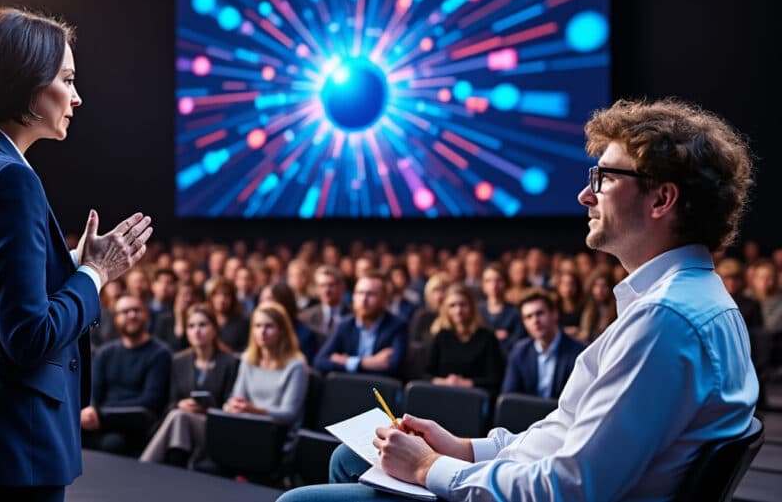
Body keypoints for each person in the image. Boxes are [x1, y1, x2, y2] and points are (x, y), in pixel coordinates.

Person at [279, 97, 757, 501]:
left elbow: (569, 486)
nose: (584, 196)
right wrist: (464, 448)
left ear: (661, 200)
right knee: (349, 456)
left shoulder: (664, 318)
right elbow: (566, 433)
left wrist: (431, 469)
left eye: (604, 178)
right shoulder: (686, 299)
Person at [0, 7, 154, 502]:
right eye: (67, 78)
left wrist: (65, 264)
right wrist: (95, 273)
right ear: (24, 84)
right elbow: (29, 338)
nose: (77, 96)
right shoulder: (11, 178)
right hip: (8, 441)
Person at [140, 304, 240, 467]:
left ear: (214, 329)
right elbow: (170, 402)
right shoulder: (178, 361)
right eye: (191, 326)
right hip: (182, 428)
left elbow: (230, 404)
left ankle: (146, 466)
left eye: (203, 325)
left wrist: (207, 409)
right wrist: (181, 404)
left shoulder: (230, 362)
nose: (197, 331)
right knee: (179, 417)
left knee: (178, 417)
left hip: (215, 429)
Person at [81, 295, 171, 455]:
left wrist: (101, 414)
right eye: (125, 312)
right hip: (98, 420)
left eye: (136, 310)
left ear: (147, 315)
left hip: (133, 424)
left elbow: (151, 401)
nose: (131, 315)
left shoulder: (160, 354)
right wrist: (90, 408)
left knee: (113, 443)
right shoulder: (105, 353)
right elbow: (92, 391)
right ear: (116, 319)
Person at [224, 302, 308, 452]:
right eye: (258, 326)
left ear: (282, 330)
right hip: (246, 425)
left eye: (269, 326)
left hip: (276, 433)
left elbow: (289, 414)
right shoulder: (247, 359)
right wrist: (233, 406)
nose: (262, 331)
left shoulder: (296, 365)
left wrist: (255, 410)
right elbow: (238, 397)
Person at [313, 274, 408, 379]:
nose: (363, 299)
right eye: (360, 293)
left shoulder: (397, 326)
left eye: (371, 294)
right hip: (348, 388)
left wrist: (346, 361)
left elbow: (392, 366)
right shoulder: (344, 325)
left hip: (380, 390)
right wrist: (363, 363)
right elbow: (319, 362)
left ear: (384, 299)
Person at [501, 289, 584, 399]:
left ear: (555, 314)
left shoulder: (579, 352)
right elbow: (509, 398)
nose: (535, 321)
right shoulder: (519, 352)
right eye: (528, 317)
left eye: (540, 313)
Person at [424, 285, 504, 393]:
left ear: (472, 307)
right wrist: (446, 382)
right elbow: (425, 375)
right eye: (452, 306)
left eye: (463, 305)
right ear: (446, 309)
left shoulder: (487, 338)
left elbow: (494, 380)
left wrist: (465, 383)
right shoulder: (441, 336)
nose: (458, 311)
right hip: (442, 394)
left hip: (473, 398)